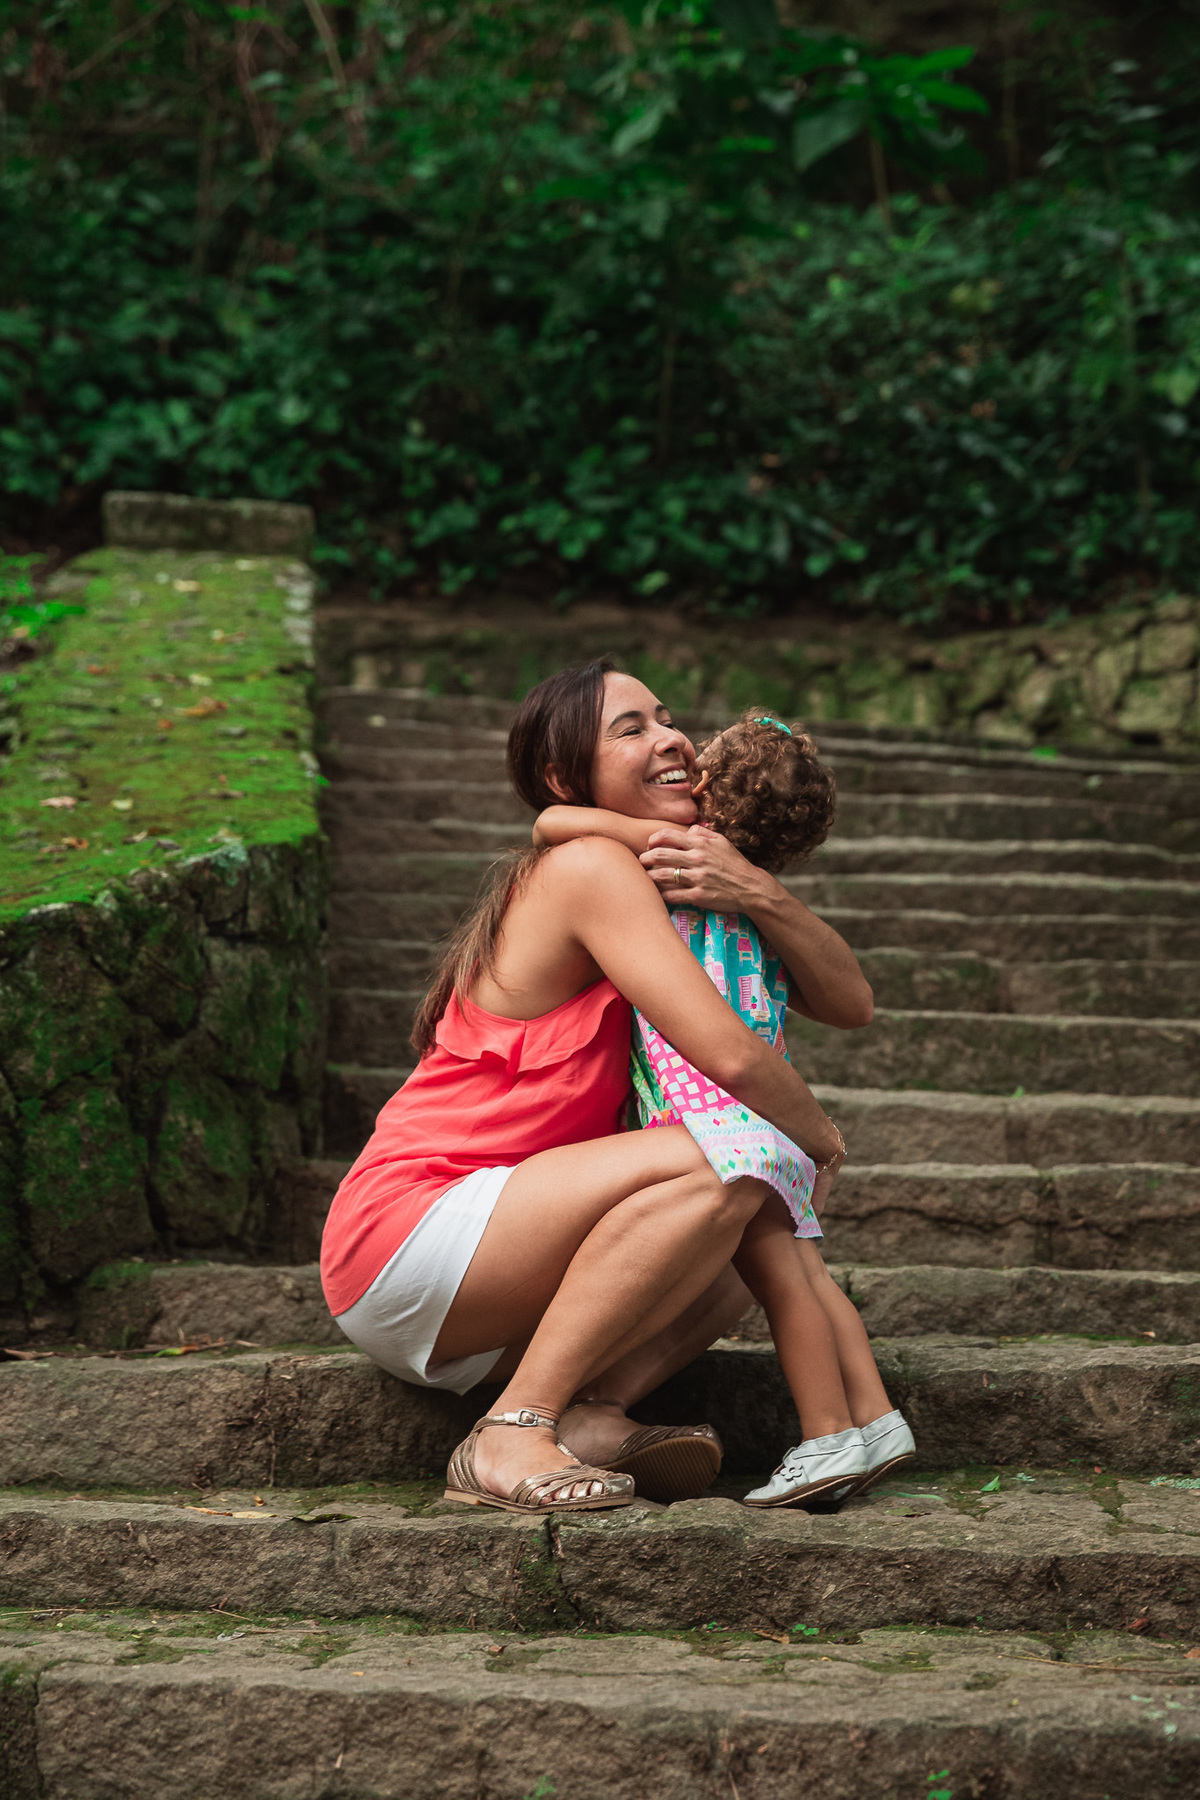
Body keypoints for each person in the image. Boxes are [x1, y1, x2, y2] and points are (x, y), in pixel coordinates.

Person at [320, 659, 872, 1513]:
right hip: (417, 1233)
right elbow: (728, 1058)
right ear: (563, 773)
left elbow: (849, 1001)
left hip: (502, 1276)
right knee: (736, 1153)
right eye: (632, 728)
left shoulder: (691, 888)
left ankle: (587, 1415)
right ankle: (511, 1430)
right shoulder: (589, 868)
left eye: (667, 717)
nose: (672, 738)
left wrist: (757, 889)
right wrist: (823, 1139)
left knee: (760, 1206)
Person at [535, 711, 915, 1508]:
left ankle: (825, 1438)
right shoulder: (746, 893)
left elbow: (551, 819)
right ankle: (876, 1418)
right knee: (811, 1278)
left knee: (783, 1285)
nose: (675, 751)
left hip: (718, 1121)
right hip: (760, 1114)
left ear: (706, 797)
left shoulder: (675, 863)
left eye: (691, 758)